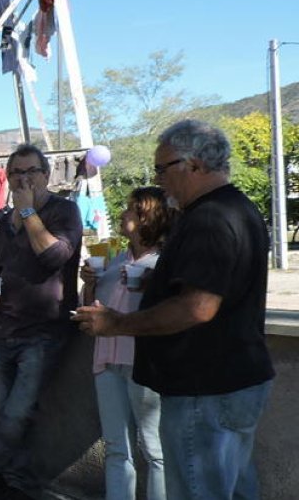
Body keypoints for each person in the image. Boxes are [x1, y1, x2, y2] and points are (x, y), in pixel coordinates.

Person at [74, 120, 275, 500]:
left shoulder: (209, 218)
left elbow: (197, 308)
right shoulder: (238, 208)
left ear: (194, 164)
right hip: (232, 382)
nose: (158, 179)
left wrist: (118, 323)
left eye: (162, 168)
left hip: (206, 389)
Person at [0, 143, 83, 500]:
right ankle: (14, 485)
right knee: (9, 413)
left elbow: (54, 256)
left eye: (31, 172)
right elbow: (0, 271)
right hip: (5, 327)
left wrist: (27, 210)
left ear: (46, 175)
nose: (23, 179)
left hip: (45, 331)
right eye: (16, 173)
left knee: (17, 414)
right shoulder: (1, 225)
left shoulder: (64, 212)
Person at [79, 188, 173, 500]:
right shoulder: (115, 260)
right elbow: (93, 310)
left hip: (143, 366)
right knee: (117, 448)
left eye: (131, 209)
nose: (123, 214)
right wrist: (89, 284)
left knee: (155, 450)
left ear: (148, 217)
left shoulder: (165, 264)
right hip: (105, 363)